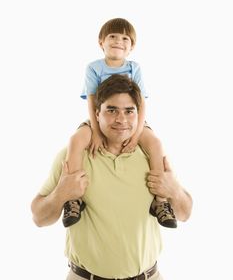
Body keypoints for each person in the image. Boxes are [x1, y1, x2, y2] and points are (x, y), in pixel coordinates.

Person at [31, 74, 193, 280]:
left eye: (129, 111)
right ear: (96, 114)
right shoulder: (71, 157)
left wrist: (174, 191)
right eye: (111, 110)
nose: (121, 119)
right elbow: (38, 218)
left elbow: (185, 214)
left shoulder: (152, 157)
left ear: (139, 115)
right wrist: (60, 194)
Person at [63, 18, 177, 229]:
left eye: (125, 38)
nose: (118, 41)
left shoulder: (134, 68)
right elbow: (91, 101)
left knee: (155, 143)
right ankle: (73, 199)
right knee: (76, 140)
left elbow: (141, 103)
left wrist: (136, 134)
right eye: (112, 36)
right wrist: (95, 132)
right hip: (100, 119)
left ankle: (160, 203)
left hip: (134, 121)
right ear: (101, 42)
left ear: (131, 46)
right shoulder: (94, 68)